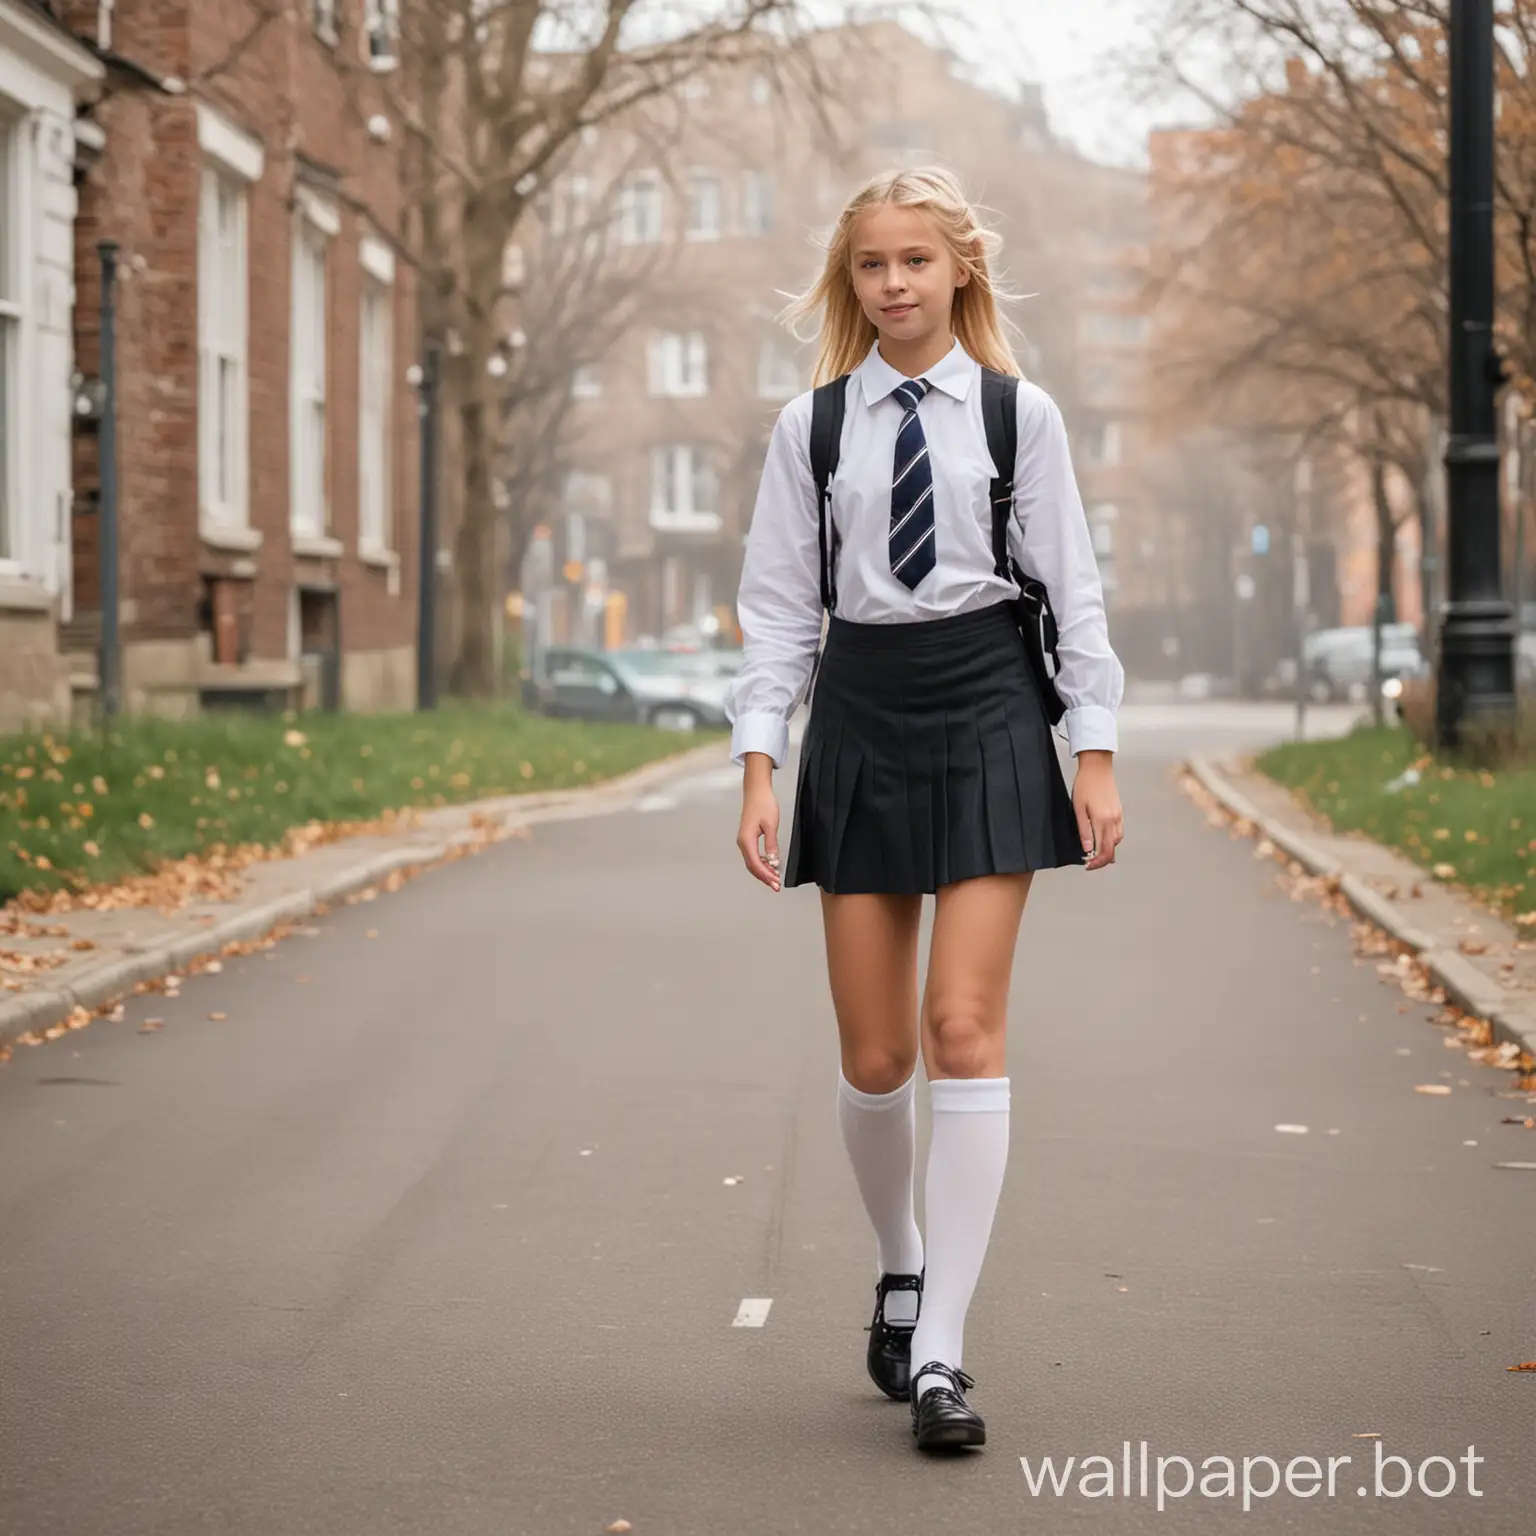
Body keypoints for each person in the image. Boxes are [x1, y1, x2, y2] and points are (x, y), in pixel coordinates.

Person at [726, 166, 1125, 1454]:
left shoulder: (1021, 418)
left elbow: (1071, 589)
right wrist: (758, 763)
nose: (893, 283)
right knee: (878, 1057)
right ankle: (900, 1262)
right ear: (851, 285)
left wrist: (1095, 747)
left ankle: (943, 1348)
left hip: (993, 703)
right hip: (862, 710)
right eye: (870, 266)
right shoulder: (816, 430)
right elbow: (782, 610)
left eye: (914, 260)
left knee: (962, 1029)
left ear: (961, 268)